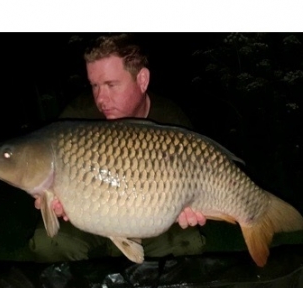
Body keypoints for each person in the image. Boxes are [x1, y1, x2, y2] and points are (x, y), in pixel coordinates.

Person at [30, 33, 207, 262]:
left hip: (149, 219)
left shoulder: (170, 121)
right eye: (94, 85)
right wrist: (52, 200)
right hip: (89, 218)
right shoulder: (76, 119)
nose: (101, 98)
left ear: (142, 80)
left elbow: (197, 186)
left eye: (111, 85)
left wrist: (187, 209)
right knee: (49, 243)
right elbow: (44, 171)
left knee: (188, 243)